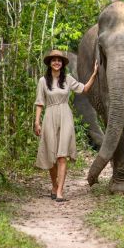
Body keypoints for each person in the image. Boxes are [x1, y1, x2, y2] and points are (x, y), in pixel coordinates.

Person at [34, 49, 98, 202]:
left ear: (62, 64)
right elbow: (39, 103)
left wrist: (94, 74)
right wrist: (37, 121)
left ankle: (60, 191)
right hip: (49, 115)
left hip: (65, 115)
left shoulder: (68, 79)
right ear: (50, 63)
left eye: (59, 60)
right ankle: (54, 186)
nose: (56, 62)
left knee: (62, 156)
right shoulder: (43, 81)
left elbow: (84, 89)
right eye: (54, 60)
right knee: (51, 156)